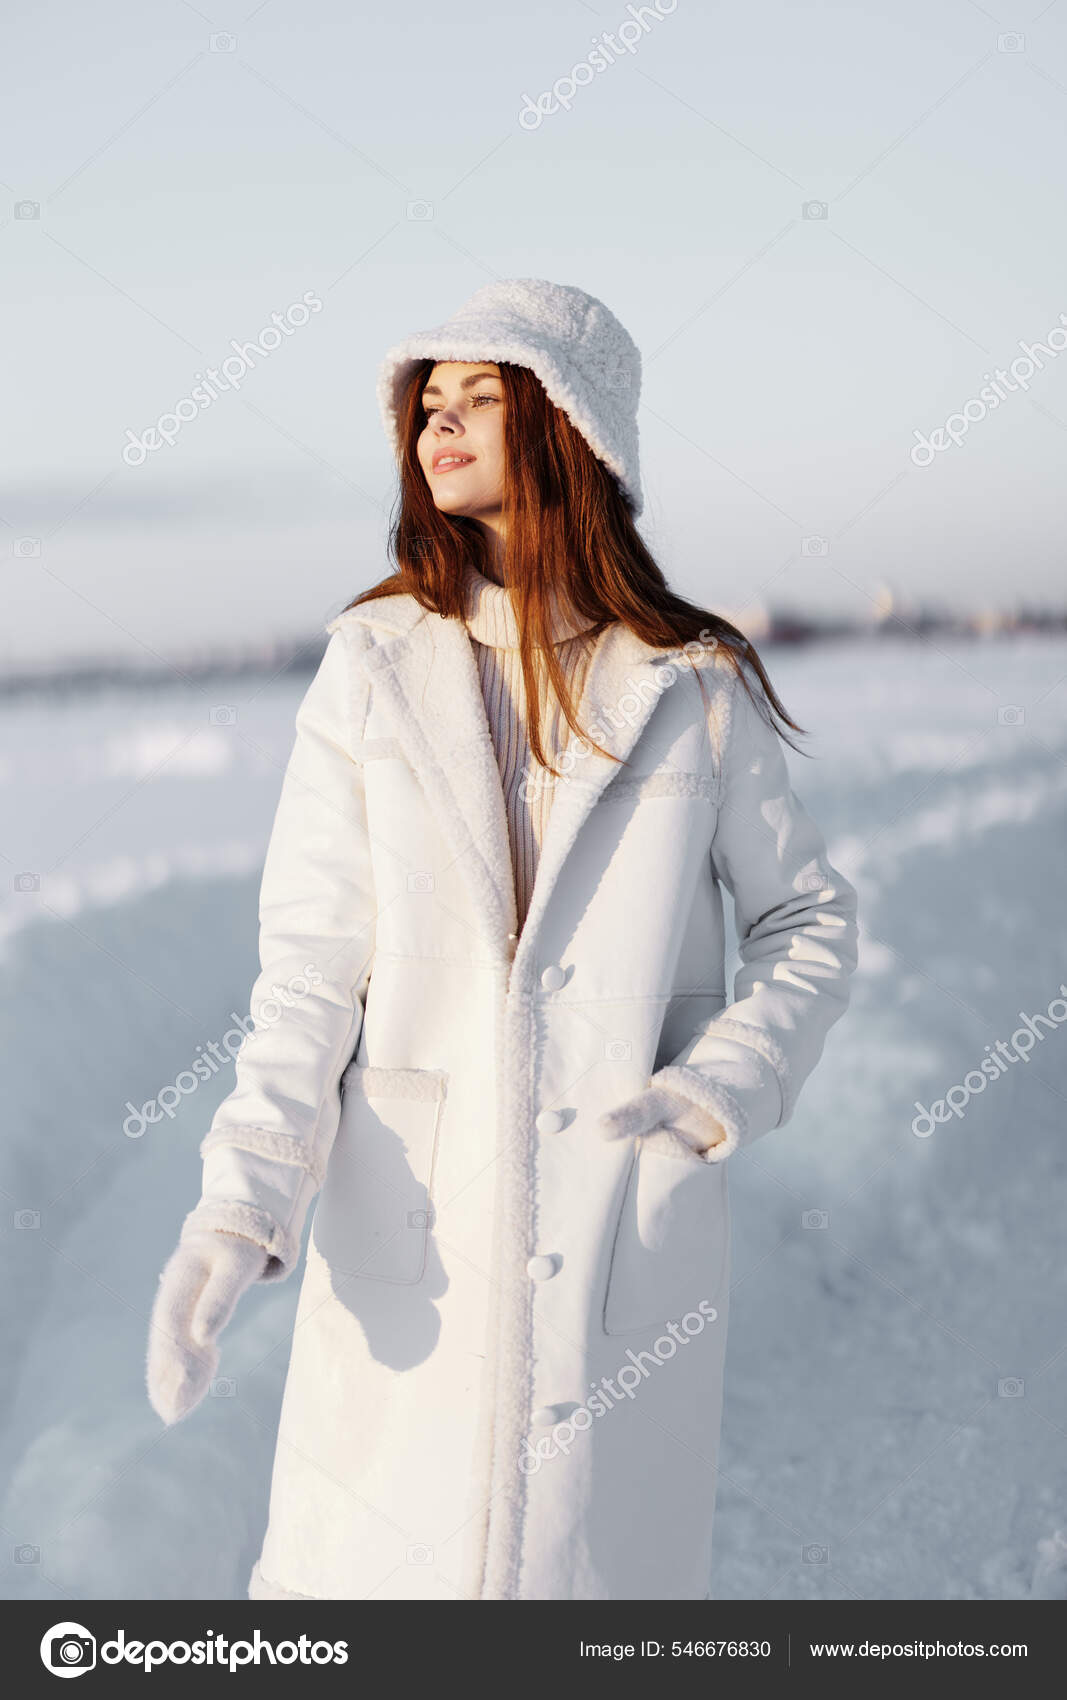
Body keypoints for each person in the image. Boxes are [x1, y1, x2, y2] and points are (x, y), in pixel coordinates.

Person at [146, 278, 859, 1602]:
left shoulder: (690, 683)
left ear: (571, 425)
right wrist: (239, 1200)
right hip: (408, 1235)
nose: (438, 426)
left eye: (481, 396)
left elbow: (807, 920)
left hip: (615, 1241)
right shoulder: (371, 665)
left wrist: (713, 1097)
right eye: (427, 403)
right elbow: (309, 971)